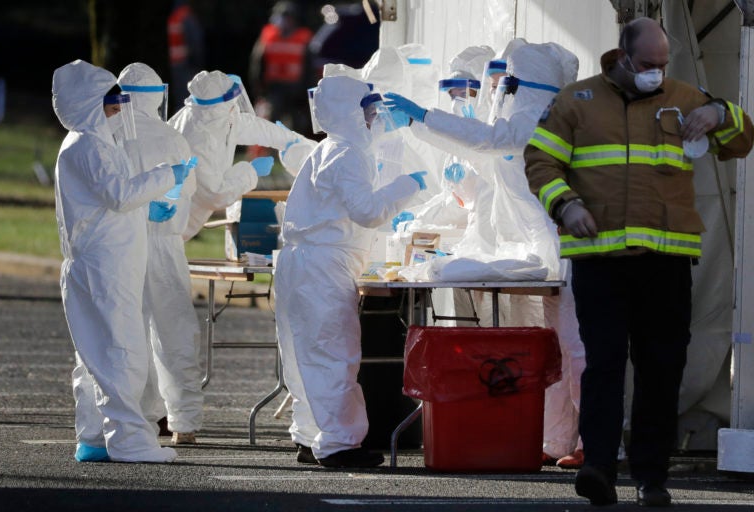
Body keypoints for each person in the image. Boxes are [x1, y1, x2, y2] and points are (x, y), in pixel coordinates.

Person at [525, 17, 754, 507]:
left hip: (666, 260)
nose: (657, 72)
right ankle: (599, 469)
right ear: (623, 56)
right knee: (604, 364)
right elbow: (540, 161)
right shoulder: (576, 102)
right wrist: (566, 205)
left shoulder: (684, 97)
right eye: (648, 64)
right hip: (600, 259)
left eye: (663, 64)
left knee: (661, 368)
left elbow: (742, 139)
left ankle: (652, 477)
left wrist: (719, 114)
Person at [384, 40, 585, 467]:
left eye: (504, 84)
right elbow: (483, 147)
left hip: (568, 250)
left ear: (522, 86)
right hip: (546, 250)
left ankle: (600, 444)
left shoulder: (535, 118)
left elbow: (491, 140)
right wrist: (419, 125)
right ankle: (557, 441)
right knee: (556, 352)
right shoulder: (520, 118)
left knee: (577, 351)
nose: (496, 92)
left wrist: (423, 116)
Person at [274, 75, 426, 467]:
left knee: (304, 354)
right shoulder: (347, 154)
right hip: (322, 265)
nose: (374, 118)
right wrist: (408, 185)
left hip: (300, 263)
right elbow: (368, 211)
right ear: (350, 113)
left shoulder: (327, 149)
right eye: (368, 111)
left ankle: (311, 437)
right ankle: (340, 444)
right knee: (332, 352)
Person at [52, 59, 191, 463]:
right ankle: (130, 442)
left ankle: (95, 437)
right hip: (105, 267)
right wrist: (169, 175)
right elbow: (120, 194)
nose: (118, 109)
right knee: (121, 352)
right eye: (111, 101)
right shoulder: (88, 144)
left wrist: (150, 211)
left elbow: (104, 206)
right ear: (89, 103)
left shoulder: (91, 143)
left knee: (98, 354)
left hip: (103, 262)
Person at [117, 62, 203, 446]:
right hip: (166, 244)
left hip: (123, 245)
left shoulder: (111, 136)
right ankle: (183, 420)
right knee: (174, 331)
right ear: (156, 97)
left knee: (127, 330)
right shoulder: (172, 138)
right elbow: (189, 190)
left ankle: (140, 416)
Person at [168, 70, 304, 241]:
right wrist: (251, 171)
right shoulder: (201, 138)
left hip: (176, 224)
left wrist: (289, 138)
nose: (236, 106)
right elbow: (215, 195)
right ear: (223, 105)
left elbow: (245, 125)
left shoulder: (205, 115)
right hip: (173, 225)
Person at [248, 0, 313, 135]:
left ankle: (295, 153)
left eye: (289, 17)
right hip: (274, 88)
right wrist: (258, 87)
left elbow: (309, 67)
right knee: (271, 121)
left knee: (297, 124)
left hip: (296, 89)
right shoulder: (268, 36)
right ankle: (272, 152)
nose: (285, 21)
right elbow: (258, 63)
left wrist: (307, 89)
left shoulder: (303, 37)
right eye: (283, 17)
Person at [167, 0, 205, 114]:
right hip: (186, 64)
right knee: (189, 98)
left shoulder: (173, 16)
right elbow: (195, 42)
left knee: (179, 99)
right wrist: (199, 62)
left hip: (174, 64)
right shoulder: (186, 16)